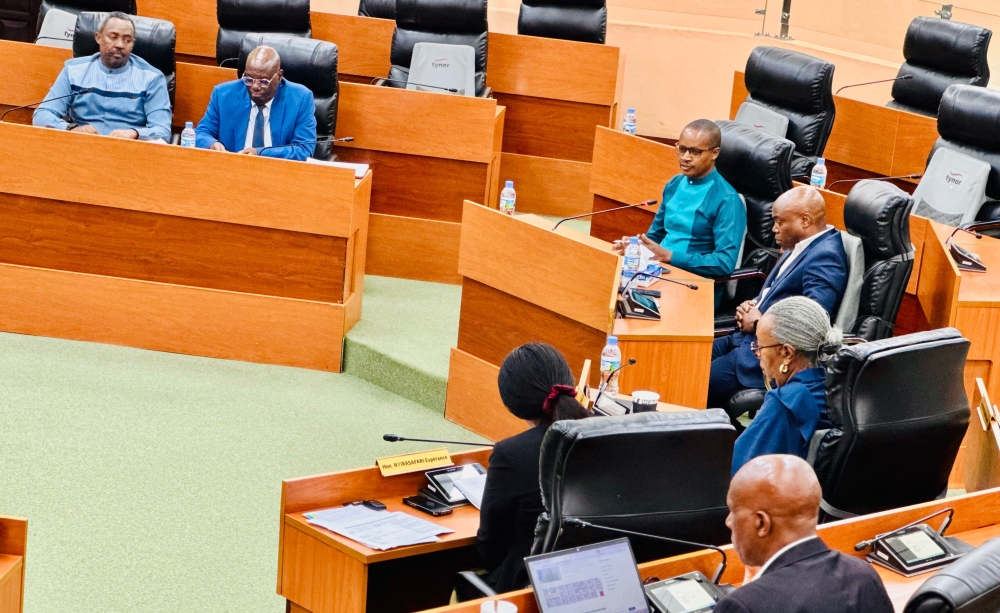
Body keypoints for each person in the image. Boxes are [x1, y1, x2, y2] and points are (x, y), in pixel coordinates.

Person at [709, 186, 848, 425]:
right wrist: (752, 305)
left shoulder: (826, 256)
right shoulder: (799, 246)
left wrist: (758, 322)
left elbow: (810, 323)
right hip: (742, 340)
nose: (774, 228)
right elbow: (776, 294)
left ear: (805, 220)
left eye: (779, 221)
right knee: (687, 354)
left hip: (763, 356)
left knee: (693, 379)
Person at [476, 343, 592, 593]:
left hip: (529, 590)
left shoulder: (511, 454)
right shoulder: (610, 431)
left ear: (512, 401)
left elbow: (489, 550)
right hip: (602, 574)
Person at [715, 455, 894, 613]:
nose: (728, 521)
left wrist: (749, 593)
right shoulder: (863, 574)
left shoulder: (743, 605)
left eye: (733, 511)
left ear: (761, 523)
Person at [613, 119, 746, 307]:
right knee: (609, 292)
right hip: (659, 273)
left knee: (630, 309)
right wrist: (636, 246)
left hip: (695, 285)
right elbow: (655, 236)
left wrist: (670, 256)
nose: (685, 157)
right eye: (682, 149)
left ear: (714, 153)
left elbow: (724, 263)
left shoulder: (727, 200)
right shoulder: (674, 184)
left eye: (695, 152)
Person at [731, 297, 842, 474]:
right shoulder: (839, 387)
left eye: (760, 347)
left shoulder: (786, 403)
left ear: (787, 353)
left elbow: (740, 473)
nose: (756, 354)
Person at [32, 12, 171, 141]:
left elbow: (163, 131)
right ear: (98, 37)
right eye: (113, 37)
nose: (120, 45)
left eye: (127, 40)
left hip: (128, 150)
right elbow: (42, 115)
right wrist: (71, 129)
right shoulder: (73, 70)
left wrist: (135, 133)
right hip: (81, 145)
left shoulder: (152, 78)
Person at [195, 45, 317, 160]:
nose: (255, 86)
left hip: (278, 171)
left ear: (279, 76)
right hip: (232, 169)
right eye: (249, 79)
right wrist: (212, 144)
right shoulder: (223, 95)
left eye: (263, 81)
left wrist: (260, 153)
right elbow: (201, 133)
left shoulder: (300, 99)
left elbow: (304, 149)